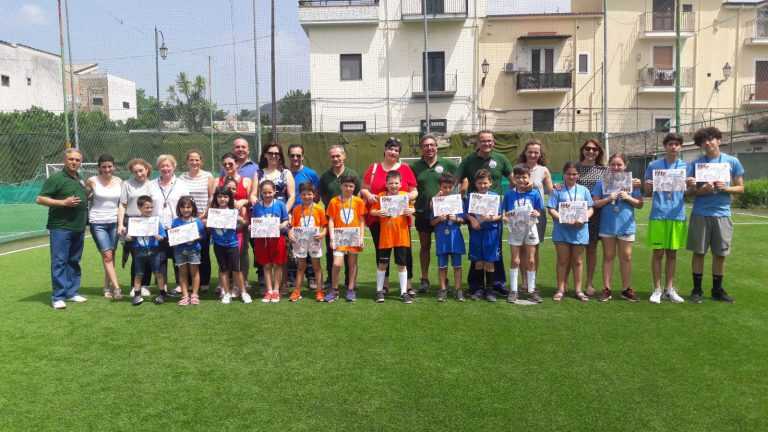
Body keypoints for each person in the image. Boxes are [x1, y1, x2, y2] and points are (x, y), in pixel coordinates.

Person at [685, 126, 745, 303]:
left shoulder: (732, 162)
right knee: (699, 252)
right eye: (703, 141)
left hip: (722, 214)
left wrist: (725, 188)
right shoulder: (696, 164)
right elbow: (688, 191)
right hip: (700, 213)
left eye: (711, 139)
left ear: (719, 140)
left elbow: (741, 187)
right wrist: (699, 189)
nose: (707, 143)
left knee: (720, 254)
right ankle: (697, 290)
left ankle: (717, 290)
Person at [456, 130, 514, 296]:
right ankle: (476, 286)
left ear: (493, 142)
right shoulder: (469, 160)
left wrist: (515, 197)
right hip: (474, 214)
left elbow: (512, 181)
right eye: (483, 141)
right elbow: (456, 178)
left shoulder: (501, 159)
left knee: (495, 251)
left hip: (493, 218)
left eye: (489, 140)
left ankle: (496, 284)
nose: (486, 143)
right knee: (477, 253)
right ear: (478, 143)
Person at [361, 137, 418, 295]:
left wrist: (408, 199)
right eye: (390, 149)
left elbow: (414, 191)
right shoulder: (374, 168)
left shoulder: (405, 168)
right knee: (382, 254)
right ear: (385, 150)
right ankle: (384, 286)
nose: (393, 152)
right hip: (378, 219)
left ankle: (407, 286)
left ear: (399, 153)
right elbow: (364, 189)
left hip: (400, 220)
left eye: (396, 150)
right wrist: (370, 196)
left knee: (405, 253)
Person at [36, 148, 89, 309]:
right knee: (59, 261)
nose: (74, 162)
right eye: (71, 159)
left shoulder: (79, 178)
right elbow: (40, 199)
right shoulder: (56, 178)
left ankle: (71, 292)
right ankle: (58, 296)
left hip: (78, 227)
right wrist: (63, 203)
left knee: (74, 261)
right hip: (60, 227)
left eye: (77, 160)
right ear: (65, 161)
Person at [591, 154, 643, 302]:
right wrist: (609, 198)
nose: (615, 167)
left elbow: (640, 204)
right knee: (608, 257)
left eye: (619, 165)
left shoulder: (632, 183)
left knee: (626, 257)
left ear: (625, 166)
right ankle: (606, 289)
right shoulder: (602, 182)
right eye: (613, 164)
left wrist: (628, 197)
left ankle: (626, 289)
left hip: (626, 224)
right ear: (609, 165)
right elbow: (595, 204)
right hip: (607, 225)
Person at [410, 134, 457, 294]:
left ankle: (444, 279)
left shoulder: (448, 164)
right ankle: (424, 279)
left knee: (443, 247)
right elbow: (410, 187)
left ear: (436, 147)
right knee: (425, 247)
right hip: (423, 213)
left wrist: (458, 196)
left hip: (443, 214)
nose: (429, 148)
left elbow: (463, 179)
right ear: (421, 148)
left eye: (432, 145)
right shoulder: (415, 167)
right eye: (425, 145)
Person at [643, 133, 687, 304]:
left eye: (676, 144)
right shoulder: (654, 165)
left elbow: (689, 192)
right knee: (658, 253)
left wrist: (691, 183)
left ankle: (669, 289)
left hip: (677, 215)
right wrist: (648, 185)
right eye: (670, 144)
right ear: (665, 146)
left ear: (680, 147)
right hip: (659, 214)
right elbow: (646, 191)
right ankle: (657, 289)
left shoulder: (685, 166)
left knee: (672, 253)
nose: (673, 147)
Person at [250, 143, 295, 294]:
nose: (274, 155)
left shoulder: (285, 172)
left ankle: (281, 286)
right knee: (265, 252)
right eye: (270, 153)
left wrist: (281, 213)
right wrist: (257, 205)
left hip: (280, 216)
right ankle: (267, 286)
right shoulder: (259, 173)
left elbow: (292, 195)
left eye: (277, 153)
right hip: (263, 216)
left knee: (281, 253)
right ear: (265, 155)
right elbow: (253, 194)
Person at [548, 162, 594, 302]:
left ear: (578, 175)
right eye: (569, 174)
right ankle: (561, 289)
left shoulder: (584, 190)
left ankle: (579, 290)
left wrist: (584, 217)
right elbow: (551, 209)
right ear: (564, 174)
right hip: (562, 230)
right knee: (562, 261)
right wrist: (562, 218)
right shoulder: (557, 190)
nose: (571, 176)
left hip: (580, 229)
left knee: (578, 261)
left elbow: (591, 208)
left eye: (574, 174)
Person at [318, 145, 361, 290]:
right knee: (332, 252)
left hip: (351, 223)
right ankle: (332, 281)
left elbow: (359, 194)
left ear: (344, 156)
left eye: (338, 156)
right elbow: (322, 195)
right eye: (333, 156)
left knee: (351, 255)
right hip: (333, 222)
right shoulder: (325, 176)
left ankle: (350, 283)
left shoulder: (352, 174)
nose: (335, 159)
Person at [370, 170, 415, 304]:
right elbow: (372, 211)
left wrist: (411, 211)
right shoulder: (381, 196)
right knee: (382, 263)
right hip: (386, 237)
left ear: (401, 184)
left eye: (396, 183)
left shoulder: (405, 196)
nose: (393, 185)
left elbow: (412, 209)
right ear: (386, 184)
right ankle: (379, 291)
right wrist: (378, 212)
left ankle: (403, 292)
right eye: (391, 183)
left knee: (402, 264)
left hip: (401, 236)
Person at [515, 139, 553, 292]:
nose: (533, 154)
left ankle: (532, 281)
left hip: (537, 213)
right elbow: (512, 187)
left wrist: (557, 187)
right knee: (522, 248)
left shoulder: (544, 170)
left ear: (539, 154)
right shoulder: (517, 168)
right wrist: (524, 184)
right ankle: (524, 282)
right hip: (520, 213)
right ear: (525, 152)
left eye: (536, 152)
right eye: (530, 151)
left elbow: (550, 190)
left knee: (534, 248)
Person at [150, 154, 190, 298]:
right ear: (158, 168)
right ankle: (163, 287)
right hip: (158, 228)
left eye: (168, 165)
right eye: (162, 165)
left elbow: (187, 205)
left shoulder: (182, 184)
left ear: (174, 167)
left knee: (178, 258)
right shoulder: (151, 185)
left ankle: (181, 286)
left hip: (177, 227)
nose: (165, 168)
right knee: (160, 259)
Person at [502, 166, 544, 304]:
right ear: (514, 178)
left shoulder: (535, 193)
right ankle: (513, 290)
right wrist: (506, 217)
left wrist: (536, 213)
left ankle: (531, 290)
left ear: (529, 178)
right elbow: (505, 213)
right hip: (516, 230)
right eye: (518, 177)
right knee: (515, 260)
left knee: (531, 260)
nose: (521, 180)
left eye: (524, 177)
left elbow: (538, 210)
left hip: (531, 228)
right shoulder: (509, 194)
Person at [85, 154, 123, 300]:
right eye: (104, 167)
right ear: (99, 168)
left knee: (111, 255)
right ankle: (117, 287)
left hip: (114, 222)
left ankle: (107, 286)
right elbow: (85, 196)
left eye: (109, 166)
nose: (107, 169)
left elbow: (122, 203)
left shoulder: (119, 181)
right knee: (107, 255)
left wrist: (121, 223)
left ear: (113, 166)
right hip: (97, 222)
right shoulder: (92, 181)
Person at [575, 139, 608, 297]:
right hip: (576, 213)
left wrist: (634, 183)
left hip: (596, 213)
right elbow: (567, 184)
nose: (591, 152)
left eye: (594, 149)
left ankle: (589, 283)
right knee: (575, 250)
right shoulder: (575, 167)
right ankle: (575, 285)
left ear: (598, 152)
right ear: (583, 150)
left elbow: (616, 186)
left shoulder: (604, 170)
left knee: (592, 249)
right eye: (587, 148)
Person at [117, 158, 156, 295]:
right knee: (136, 255)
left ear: (147, 169)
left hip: (149, 222)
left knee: (149, 253)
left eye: (141, 170)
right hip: (132, 222)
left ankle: (145, 285)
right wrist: (121, 224)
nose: (139, 174)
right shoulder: (127, 184)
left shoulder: (153, 184)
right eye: (135, 172)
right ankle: (136, 286)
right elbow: (122, 204)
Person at [179, 149, 215, 293]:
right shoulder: (181, 178)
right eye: (191, 160)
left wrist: (204, 214)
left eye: (197, 160)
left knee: (203, 251)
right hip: (187, 220)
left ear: (201, 161)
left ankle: (204, 282)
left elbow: (211, 197)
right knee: (187, 251)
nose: (194, 162)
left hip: (203, 220)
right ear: (187, 162)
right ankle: (188, 282)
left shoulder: (208, 176)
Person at [326, 174, 366, 302]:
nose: (348, 188)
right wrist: (332, 237)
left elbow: (361, 221)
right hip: (339, 237)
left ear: (354, 187)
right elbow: (331, 220)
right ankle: (334, 289)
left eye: (351, 186)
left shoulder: (358, 201)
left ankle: (350, 289)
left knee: (352, 264)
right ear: (341, 186)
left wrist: (361, 237)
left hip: (354, 237)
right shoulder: (334, 201)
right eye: (346, 186)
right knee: (337, 263)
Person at [465, 169, 503, 302]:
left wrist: (491, 219)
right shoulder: (471, 197)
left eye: (485, 183)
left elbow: (500, 215)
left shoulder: (494, 196)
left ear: (490, 183)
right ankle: (479, 289)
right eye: (480, 183)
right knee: (478, 261)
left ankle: (490, 290)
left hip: (491, 233)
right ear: (475, 183)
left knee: (489, 261)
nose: (483, 185)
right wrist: (472, 220)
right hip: (476, 233)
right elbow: (466, 213)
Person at [218, 152, 253, 295]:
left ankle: (241, 283)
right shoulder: (218, 181)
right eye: (225, 164)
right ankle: (225, 284)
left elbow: (251, 198)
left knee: (241, 253)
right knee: (223, 254)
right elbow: (213, 201)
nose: (227, 166)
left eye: (230, 163)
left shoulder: (246, 181)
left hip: (240, 224)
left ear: (237, 164)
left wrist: (243, 202)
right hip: (223, 225)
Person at [208, 187, 249, 304]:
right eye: (220, 196)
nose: (222, 199)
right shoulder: (213, 211)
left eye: (225, 196)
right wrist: (206, 222)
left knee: (237, 270)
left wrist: (241, 220)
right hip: (218, 245)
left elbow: (244, 223)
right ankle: (226, 293)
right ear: (216, 198)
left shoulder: (233, 211)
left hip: (232, 244)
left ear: (230, 198)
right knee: (223, 269)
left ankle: (244, 292)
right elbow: (207, 224)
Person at [287, 144, 320, 289]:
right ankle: (292, 277)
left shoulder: (311, 174)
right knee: (292, 247)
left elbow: (317, 195)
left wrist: (311, 211)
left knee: (310, 245)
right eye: (292, 155)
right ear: (288, 157)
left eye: (298, 155)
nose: (295, 158)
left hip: (309, 216)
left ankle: (312, 276)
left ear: (303, 157)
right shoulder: (285, 173)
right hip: (290, 215)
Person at [251, 180, 290, 303]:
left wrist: (280, 226)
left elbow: (286, 221)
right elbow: (254, 222)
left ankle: (276, 290)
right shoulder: (257, 206)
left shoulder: (280, 204)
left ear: (274, 191)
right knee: (266, 265)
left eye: (270, 192)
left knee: (278, 264)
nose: (267, 195)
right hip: (262, 240)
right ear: (261, 193)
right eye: (264, 192)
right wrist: (251, 227)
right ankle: (269, 290)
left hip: (277, 239)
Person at [288, 182, 327, 302]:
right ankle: (297, 291)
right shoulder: (296, 210)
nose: (306, 197)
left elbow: (324, 226)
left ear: (314, 195)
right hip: (301, 242)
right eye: (304, 194)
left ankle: (319, 291)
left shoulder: (319, 209)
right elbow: (292, 226)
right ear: (300, 195)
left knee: (316, 267)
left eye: (309, 194)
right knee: (300, 267)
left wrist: (322, 233)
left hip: (314, 241)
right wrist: (290, 234)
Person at [430, 173, 466, 302]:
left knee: (457, 266)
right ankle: (443, 289)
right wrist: (439, 219)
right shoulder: (435, 202)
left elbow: (463, 219)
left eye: (450, 187)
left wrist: (455, 218)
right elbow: (431, 222)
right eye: (444, 187)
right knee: (442, 266)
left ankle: (458, 289)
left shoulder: (457, 201)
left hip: (455, 237)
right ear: (440, 186)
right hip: (442, 238)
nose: (447, 190)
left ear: (453, 187)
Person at [125, 195, 166, 306]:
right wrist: (128, 237)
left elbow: (163, 235)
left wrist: (160, 237)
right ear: (139, 207)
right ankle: (137, 295)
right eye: (146, 207)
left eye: (151, 207)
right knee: (138, 273)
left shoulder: (156, 221)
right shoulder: (134, 222)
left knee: (158, 273)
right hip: (139, 251)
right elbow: (129, 236)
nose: (149, 210)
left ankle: (162, 294)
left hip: (154, 251)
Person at [171, 196, 206, 306]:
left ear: (193, 208)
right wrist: (174, 240)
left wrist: (196, 237)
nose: (185, 209)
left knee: (194, 273)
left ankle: (194, 295)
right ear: (179, 208)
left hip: (194, 250)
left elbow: (202, 235)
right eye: (183, 207)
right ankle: (185, 296)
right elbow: (174, 236)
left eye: (188, 207)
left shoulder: (197, 221)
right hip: (179, 251)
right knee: (182, 274)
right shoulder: (175, 221)